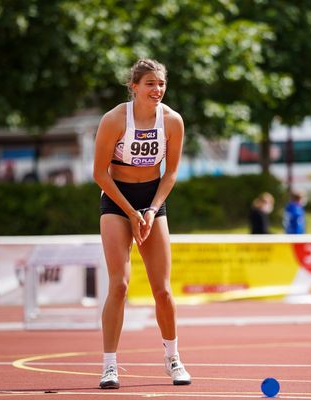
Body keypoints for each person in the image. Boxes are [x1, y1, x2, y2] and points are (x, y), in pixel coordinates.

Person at [93, 58, 191, 389]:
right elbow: (99, 173)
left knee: (162, 289)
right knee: (119, 284)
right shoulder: (115, 119)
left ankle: (173, 358)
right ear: (134, 86)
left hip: (152, 200)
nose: (157, 90)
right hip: (117, 200)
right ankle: (109, 366)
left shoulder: (173, 121)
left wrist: (150, 209)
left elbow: (172, 172)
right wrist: (130, 211)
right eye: (149, 84)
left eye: (161, 84)